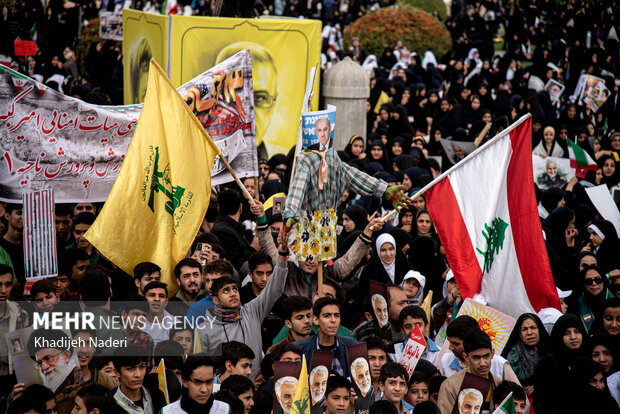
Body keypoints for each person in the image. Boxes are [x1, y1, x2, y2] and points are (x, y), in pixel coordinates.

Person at [198, 237, 288, 378]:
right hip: (226, 391)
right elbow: (203, 368)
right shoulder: (204, 330)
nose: (233, 294)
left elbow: (275, 288)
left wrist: (282, 255)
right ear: (215, 300)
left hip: (255, 387)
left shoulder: (252, 311)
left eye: (235, 289)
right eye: (226, 291)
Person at [215, 42, 278, 153]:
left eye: (260, 98)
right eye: (237, 95)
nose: (248, 112)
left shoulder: (284, 159)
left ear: (273, 102)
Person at [438, 330, 507, 414]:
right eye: (476, 358)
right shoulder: (450, 387)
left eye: (486, 356)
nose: (482, 363)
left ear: (492, 354)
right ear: (466, 357)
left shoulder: (499, 385)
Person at [533, 314, 590, 414]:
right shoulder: (546, 365)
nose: (573, 337)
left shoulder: (591, 358)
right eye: (567, 333)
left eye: (577, 331)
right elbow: (541, 404)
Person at [441, 315, 519, 381]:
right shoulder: (446, 361)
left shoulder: (500, 365)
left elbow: (518, 396)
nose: (450, 348)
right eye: (449, 342)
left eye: (455, 344)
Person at [295, 297, 358, 377]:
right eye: (327, 316)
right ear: (316, 320)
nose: (333, 320)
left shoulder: (352, 346)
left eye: (336, 316)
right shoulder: (300, 348)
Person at [27, 328, 83, 413]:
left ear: (66, 355)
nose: (44, 367)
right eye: (39, 363)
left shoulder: (81, 381)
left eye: (48, 358)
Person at [500, 313, 549, 397]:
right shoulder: (513, 354)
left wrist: (539, 386)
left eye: (533, 328)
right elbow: (510, 383)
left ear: (539, 329)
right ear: (519, 332)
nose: (529, 332)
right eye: (524, 329)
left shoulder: (549, 350)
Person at [162, 354, 230, 413]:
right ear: (185, 381)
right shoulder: (167, 412)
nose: (204, 389)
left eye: (209, 382)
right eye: (197, 382)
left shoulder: (224, 410)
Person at [211, 189, 257, 272]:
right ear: (240, 208)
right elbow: (234, 264)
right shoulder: (222, 231)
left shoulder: (237, 228)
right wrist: (252, 248)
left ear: (218, 208)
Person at [112, 344, 164, 414]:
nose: (138, 374)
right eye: (130, 369)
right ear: (117, 372)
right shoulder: (110, 404)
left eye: (142, 367)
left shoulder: (156, 395)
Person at [567, 265, 614, 332]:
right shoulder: (575, 304)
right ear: (583, 283)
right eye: (589, 281)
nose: (594, 283)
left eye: (598, 280)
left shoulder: (615, 301)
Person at [119, 295, 155, 363]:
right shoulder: (113, 335)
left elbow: (148, 367)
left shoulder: (147, 339)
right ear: (124, 314)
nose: (140, 320)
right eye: (136, 314)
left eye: (144, 316)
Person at [0, 204, 24, 296]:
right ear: (7, 216)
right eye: (19, 213)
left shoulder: (33, 246)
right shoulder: (1, 246)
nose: (23, 217)